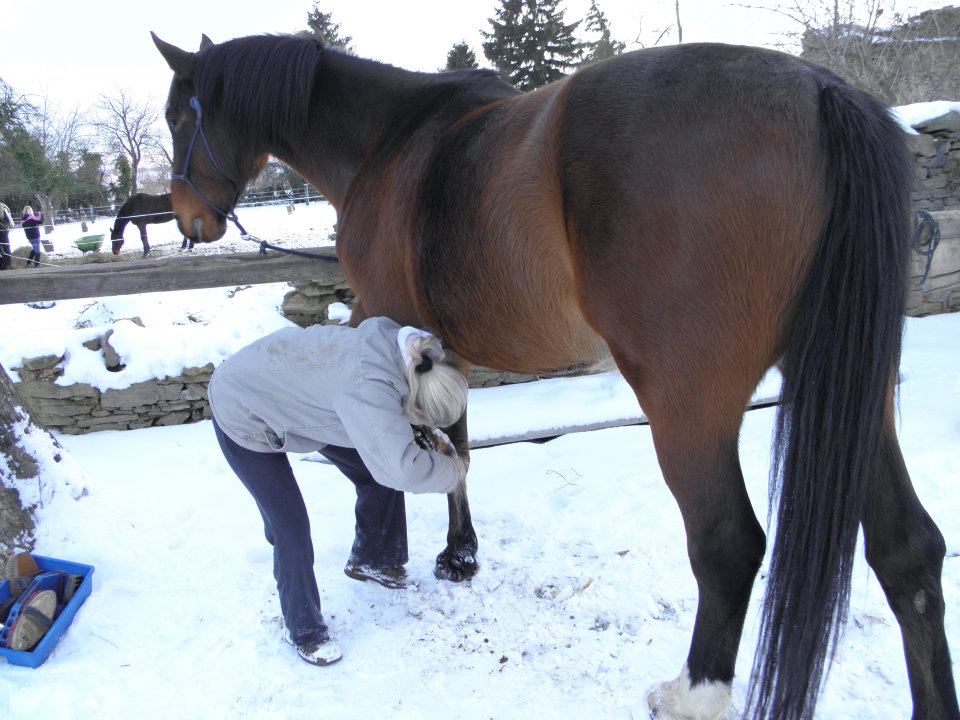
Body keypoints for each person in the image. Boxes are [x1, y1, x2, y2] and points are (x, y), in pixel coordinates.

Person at [208, 316, 469, 666]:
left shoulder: (417, 354)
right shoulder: (368, 391)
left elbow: (386, 455)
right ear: (416, 405)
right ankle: (303, 631)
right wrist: (454, 472)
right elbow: (402, 470)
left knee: (375, 468)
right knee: (290, 528)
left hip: (303, 392)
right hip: (243, 408)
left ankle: (374, 559)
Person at [0, 203, 13, 270]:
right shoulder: (4, 210)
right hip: (3, 230)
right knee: (6, 248)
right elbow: (11, 221)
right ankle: (7, 265)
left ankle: (1, 265)